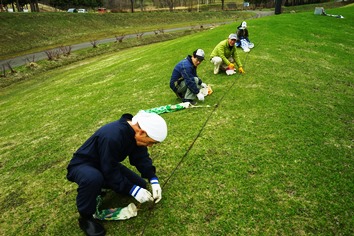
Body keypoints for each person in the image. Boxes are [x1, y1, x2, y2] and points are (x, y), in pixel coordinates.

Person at [66, 111, 168, 236]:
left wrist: (153, 179)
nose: (150, 145)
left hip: (106, 163)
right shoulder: (113, 135)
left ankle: (101, 184)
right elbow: (109, 169)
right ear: (141, 132)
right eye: (150, 142)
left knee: (140, 184)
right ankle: (86, 218)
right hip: (83, 165)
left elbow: (141, 158)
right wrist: (132, 189)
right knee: (93, 178)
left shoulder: (136, 134)